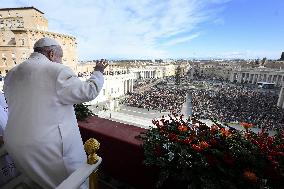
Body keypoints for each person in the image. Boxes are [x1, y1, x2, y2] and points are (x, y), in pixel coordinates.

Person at [3, 37, 108, 189]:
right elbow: (88, 92)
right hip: (48, 149)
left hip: (15, 144)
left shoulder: (12, 73)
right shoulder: (57, 71)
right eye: (60, 57)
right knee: (75, 181)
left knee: (39, 180)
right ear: (51, 54)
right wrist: (98, 71)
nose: (60, 61)